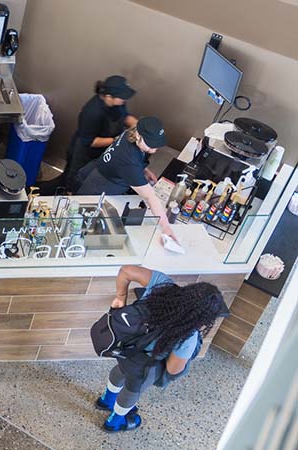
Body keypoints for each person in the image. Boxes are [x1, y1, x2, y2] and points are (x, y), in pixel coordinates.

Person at [96, 265, 226, 432]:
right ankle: (114, 421)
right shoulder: (188, 335)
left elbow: (126, 271)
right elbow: (173, 369)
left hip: (126, 349)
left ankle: (106, 400)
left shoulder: (163, 285)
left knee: (120, 371)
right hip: (144, 364)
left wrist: (121, 297)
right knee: (132, 390)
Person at [75, 116, 177, 243]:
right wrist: (166, 227)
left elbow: (134, 157)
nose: (154, 150)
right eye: (151, 145)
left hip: (100, 169)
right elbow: (150, 197)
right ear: (138, 136)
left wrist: (143, 170)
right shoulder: (129, 163)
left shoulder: (130, 132)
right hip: (101, 187)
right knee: (82, 224)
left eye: (157, 145)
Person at [64, 75, 139, 186]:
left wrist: (138, 126)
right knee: (75, 180)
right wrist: (118, 140)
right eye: (122, 97)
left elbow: (124, 116)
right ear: (109, 97)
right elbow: (89, 141)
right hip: (85, 153)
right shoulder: (92, 112)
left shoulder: (119, 102)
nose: (125, 99)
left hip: (104, 150)